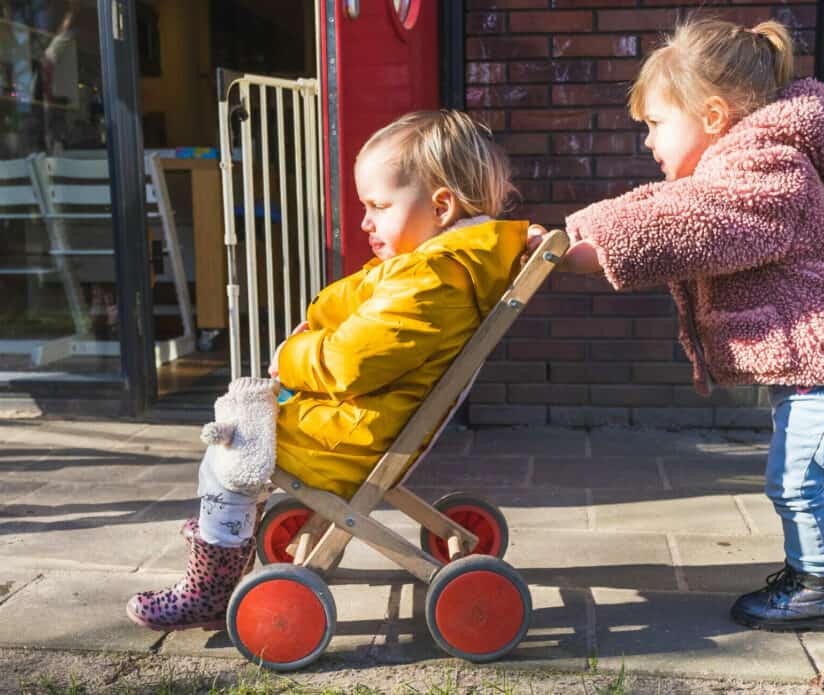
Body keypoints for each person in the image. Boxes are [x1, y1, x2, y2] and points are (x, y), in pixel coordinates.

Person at [529, 17, 824, 632]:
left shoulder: (765, 173)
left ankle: (814, 584)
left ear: (712, 115)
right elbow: (660, 204)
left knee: (792, 479)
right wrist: (573, 232)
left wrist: (580, 255)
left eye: (654, 124)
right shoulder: (736, 165)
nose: (648, 142)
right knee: (818, 467)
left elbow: (682, 229)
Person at [127, 110, 528, 631]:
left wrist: (293, 356)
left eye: (378, 206)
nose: (365, 222)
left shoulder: (433, 279)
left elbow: (350, 361)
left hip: (357, 436)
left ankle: (211, 580)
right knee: (238, 446)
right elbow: (351, 305)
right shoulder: (436, 265)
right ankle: (225, 531)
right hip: (363, 422)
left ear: (442, 206)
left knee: (232, 451)